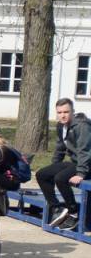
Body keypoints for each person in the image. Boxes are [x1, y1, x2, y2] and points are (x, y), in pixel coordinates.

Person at [36, 98, 91, 230]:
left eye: (66, 112)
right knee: (42, 174)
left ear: (72, 112)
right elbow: (60, 148)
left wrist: (81, 173)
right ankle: (57, 208)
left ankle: (73, 212)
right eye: (59, 112)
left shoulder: (82, 126)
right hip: (77, 162)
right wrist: (54, 167)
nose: (63, 115)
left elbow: (84, 151)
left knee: (60, 178)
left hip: (87, 164)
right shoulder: (61, 126)